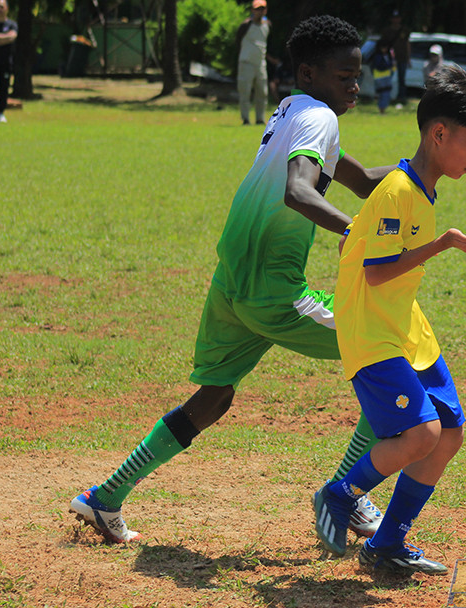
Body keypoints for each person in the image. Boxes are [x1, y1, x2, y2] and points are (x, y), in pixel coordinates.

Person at [70, 15, 400, 545]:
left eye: (357, 75)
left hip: (232, 283)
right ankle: (347, 496)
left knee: (213, 398)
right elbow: (298, 190)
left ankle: (104, 496)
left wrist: (433, 159)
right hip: (274, 290)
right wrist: (357, 232)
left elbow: (362, 183)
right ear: (309, 72)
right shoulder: (319, 119)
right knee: (390, 356)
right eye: (345, 76)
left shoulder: (294, 110)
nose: (355, 86)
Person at [313, 65, 466, 576]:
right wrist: (440, 245)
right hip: (373, 330)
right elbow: (375, 275)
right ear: (438, 134)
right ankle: (339, 492)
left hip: (407, 327)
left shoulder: (422, 183)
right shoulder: (397, 192)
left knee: (450, 434)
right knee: (422, 434)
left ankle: (387, 542)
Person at [236, 0, 279, 125]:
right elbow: (238, 41)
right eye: (257, 9)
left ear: (265, 10)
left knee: (262, 93)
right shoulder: (246, 25)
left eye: (262, 8)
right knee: (245, 92)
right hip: (246, 62)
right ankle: (245, 118)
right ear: (253, 10)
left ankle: (260, 118)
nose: (260, 11)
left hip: (260, 64)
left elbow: (267, 45)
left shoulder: (268, 25)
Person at [381, 10, 409, 105]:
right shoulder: (387, 31)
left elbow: (407, 44)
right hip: (390, 58)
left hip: (402, 58)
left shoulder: (404, 30)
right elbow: (383, 44)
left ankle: (402, 97)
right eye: (394, 18)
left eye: (397, 18)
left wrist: (408, 58)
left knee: (402, 79)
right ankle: (386, 97)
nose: (396, 20)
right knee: (388, 78)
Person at [371, 37, 395, 113]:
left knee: (386, 94)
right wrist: (388, 66)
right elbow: (379, 66)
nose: (385, 49)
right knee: (383, 94)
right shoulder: (377, 56)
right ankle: (381, 109)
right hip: (380, 78)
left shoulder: (388, 55)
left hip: (387, 76)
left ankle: (383, 109)